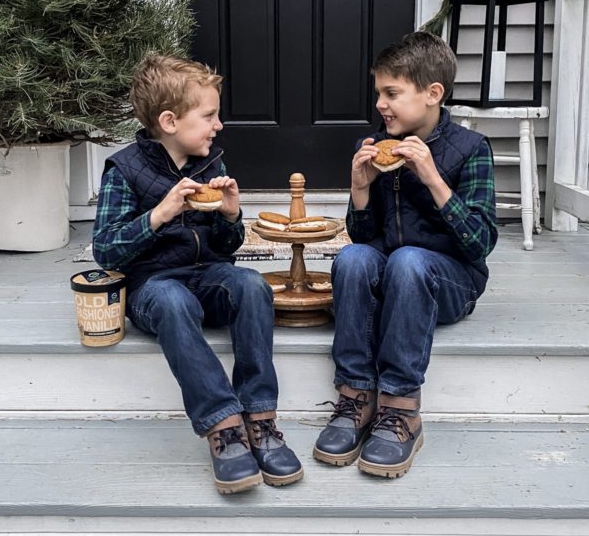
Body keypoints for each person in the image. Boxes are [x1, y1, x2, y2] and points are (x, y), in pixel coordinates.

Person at [92, 53, 302, 494]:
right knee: (174, 301)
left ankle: (260, 418)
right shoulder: (124, 171)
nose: (218, 125)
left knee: (250, 284)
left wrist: (229, 216)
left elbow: (228, 248)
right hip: (155, 286)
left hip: (209, 276)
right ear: (169, 121)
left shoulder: (213, 166)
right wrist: (160, 214)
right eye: (208, 115)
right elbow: (106, 250)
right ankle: (224, 427)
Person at [313, 31, 497, 478]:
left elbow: (479, 243)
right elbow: (363, 238)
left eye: (392, 93)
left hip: (449, 283)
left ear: (433, 94)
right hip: (390, 279)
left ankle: (401, 408)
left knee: (409, 259)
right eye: (379, 92)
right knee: (352, 260)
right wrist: (360, 189)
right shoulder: (377, 148)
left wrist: (434, 179)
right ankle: (355, 396)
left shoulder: (471, 150)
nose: (381, 103)